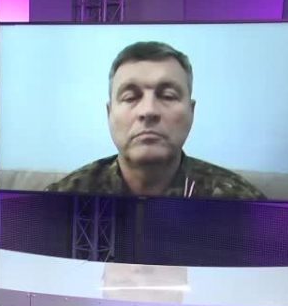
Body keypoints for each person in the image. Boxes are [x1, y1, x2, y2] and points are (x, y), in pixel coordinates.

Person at [45, 41, 265, 200]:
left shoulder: (241, 202)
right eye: (130, 97)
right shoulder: (61, 200)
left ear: (191, 112)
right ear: (109, 113)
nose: (148, 111)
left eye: (167, 96)